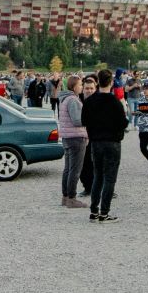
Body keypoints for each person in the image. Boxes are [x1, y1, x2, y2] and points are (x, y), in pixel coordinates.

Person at [81, 68, 127, 223]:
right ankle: (104, 212)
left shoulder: (89, 101)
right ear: (112, 82)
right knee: (109, 178)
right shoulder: (115, 102)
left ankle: (94, 210)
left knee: (98, 176)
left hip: (95, 142)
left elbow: (84, 121)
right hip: (112, 142)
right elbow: (123, 123)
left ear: (97, 82)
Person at [57, 74, 91, 208]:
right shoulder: (73, 100)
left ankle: (65, 197)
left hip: (67, 137)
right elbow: (77, 120)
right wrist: (89, 119)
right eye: (80, 85)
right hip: (76, 137)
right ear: (74, 86)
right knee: (75, 170)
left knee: (68, 169)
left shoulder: (64, 99)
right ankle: (72, 198)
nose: (82, 87)